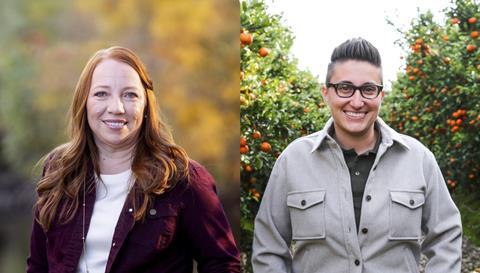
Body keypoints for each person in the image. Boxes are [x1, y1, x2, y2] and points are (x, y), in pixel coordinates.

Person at [252, 38, 462, 273]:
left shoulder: (418, 160)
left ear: (381, 95)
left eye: (368, 89)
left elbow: (446, 235)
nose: (357, 101)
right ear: (326, 93)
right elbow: (268, 247)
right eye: (345, 88)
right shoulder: (294, 160)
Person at [26, 46, 240, 273]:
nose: (116, 108)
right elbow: (38, 265)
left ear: (146, 104)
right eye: (101, 94)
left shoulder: (183, 179)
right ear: (84, 102)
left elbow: (224, 265)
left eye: (130, 95)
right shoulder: (58, 170)